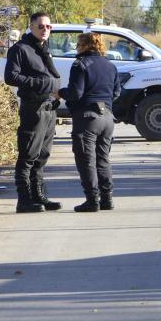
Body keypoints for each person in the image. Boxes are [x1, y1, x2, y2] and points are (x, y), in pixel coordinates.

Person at [4, 11, 63, 213]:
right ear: (31, 27)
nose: (45, 30)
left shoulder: (43, 48)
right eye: (41, 26)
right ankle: (24, 199)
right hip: (33, 108)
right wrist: (40, 84)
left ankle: (39, 196)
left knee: (42, 156)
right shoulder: (20, 49)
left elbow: (51, 76)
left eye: (48, 26)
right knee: (28, 154)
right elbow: (11, 77)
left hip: (49, 108)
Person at [59, 32, 120, 212]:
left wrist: (60, 93)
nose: (76, 47)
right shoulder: (110, 66)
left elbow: (75, 93)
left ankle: (92, 200)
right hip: (108, 118)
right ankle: (107, 199)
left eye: (78, 44)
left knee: (86, 159)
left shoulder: (80, 64)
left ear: (84, 46)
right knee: (103, 159)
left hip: (87, 119)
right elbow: (116, 93)